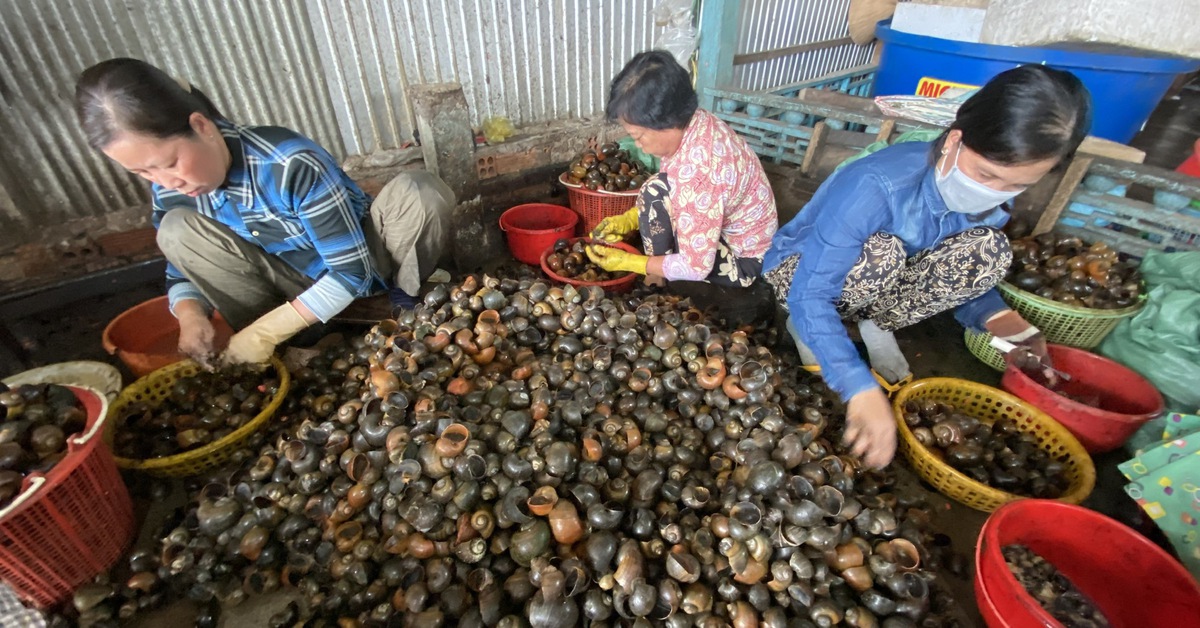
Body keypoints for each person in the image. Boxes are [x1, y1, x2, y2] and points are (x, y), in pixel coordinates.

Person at [763, 65, 1092, 469]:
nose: (995, 192)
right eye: (987, 175)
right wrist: (856, 385)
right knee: (881, 253)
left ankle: (874, 324)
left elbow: (951, 271)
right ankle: (809, 329)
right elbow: (811, 292)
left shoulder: (991, 204)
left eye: (1017, 185)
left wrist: (1003, 322)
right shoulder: (875, 185)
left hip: (883, 282)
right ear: (955, 140)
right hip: (802, 277)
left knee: (989, 250)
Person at [75, 58, 454, 366]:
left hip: (365, 265)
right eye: (143, 173)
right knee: (174, 230)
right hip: (287, 290)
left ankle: (400, 300)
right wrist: (190, 314)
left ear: (201, 126)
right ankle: (301, 345)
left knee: (420, 192)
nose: (165, 180)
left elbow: (350, 272)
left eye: (170, 162)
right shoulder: (171, 191)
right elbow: (182, 266)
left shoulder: (288, 163)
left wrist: (264, 333)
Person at [586, 50, 777, 293]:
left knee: (657, 199)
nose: (637, 144)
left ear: (667, 124)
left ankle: (660, 281)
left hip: (744, 262)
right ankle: (657, 274)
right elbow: (672, 192)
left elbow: (697, 266)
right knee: (654, 190)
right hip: (723, 225)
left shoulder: (700, 172)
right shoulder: (695, 124)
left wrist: (631, 263)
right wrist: (629, 220)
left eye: (638, 136)